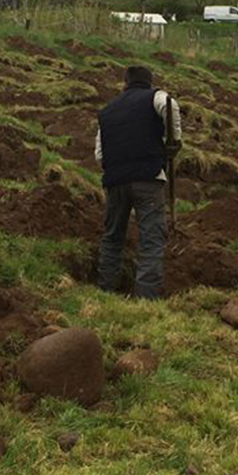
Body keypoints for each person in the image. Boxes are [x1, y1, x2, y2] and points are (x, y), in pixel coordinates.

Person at [95, 66, 182, 300]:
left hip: (115, 182)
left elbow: (100, 155)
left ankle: (105, 291)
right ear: (149, 81)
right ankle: (146, 298)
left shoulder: (107, 111)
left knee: (112, 236)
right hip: (148, 178)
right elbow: (170, 105)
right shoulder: (156, 96)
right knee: (151, 240)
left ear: (125, 82)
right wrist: (174, 143)